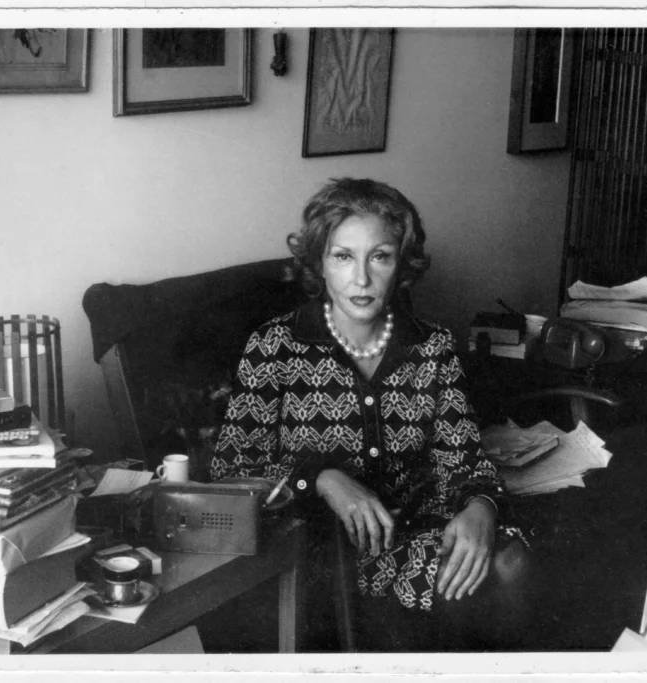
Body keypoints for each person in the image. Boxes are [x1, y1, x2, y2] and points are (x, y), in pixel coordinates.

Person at [210, 178, 535, 651]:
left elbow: (462, 458)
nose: (361, 279)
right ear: (319, 262)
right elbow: (232, 468)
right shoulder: (275, 346)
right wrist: (321, 478)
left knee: (507, 560)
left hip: (416, 528)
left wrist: (481, 506)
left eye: (379, 256)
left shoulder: (432, 345)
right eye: (343, 256)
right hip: (319, 544)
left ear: (401, 264)